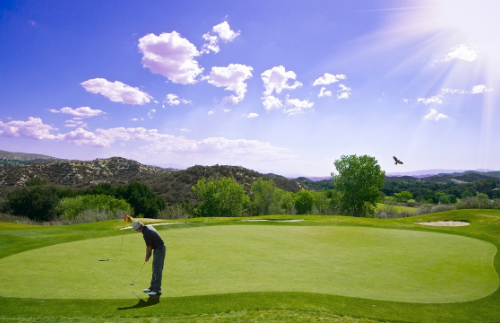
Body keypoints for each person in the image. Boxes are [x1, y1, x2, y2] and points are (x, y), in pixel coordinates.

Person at [132, 221, 166, 296]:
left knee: (157, 269)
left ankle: (157, 289)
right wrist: (149, 255)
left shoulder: (146, 233)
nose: (137, 232)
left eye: (136, 230)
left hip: (160, 249)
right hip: (158, 249)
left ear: (138, 229)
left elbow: (149, 248)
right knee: (154, 268)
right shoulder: (147, 227)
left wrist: (147, 256)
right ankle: (152, 287)